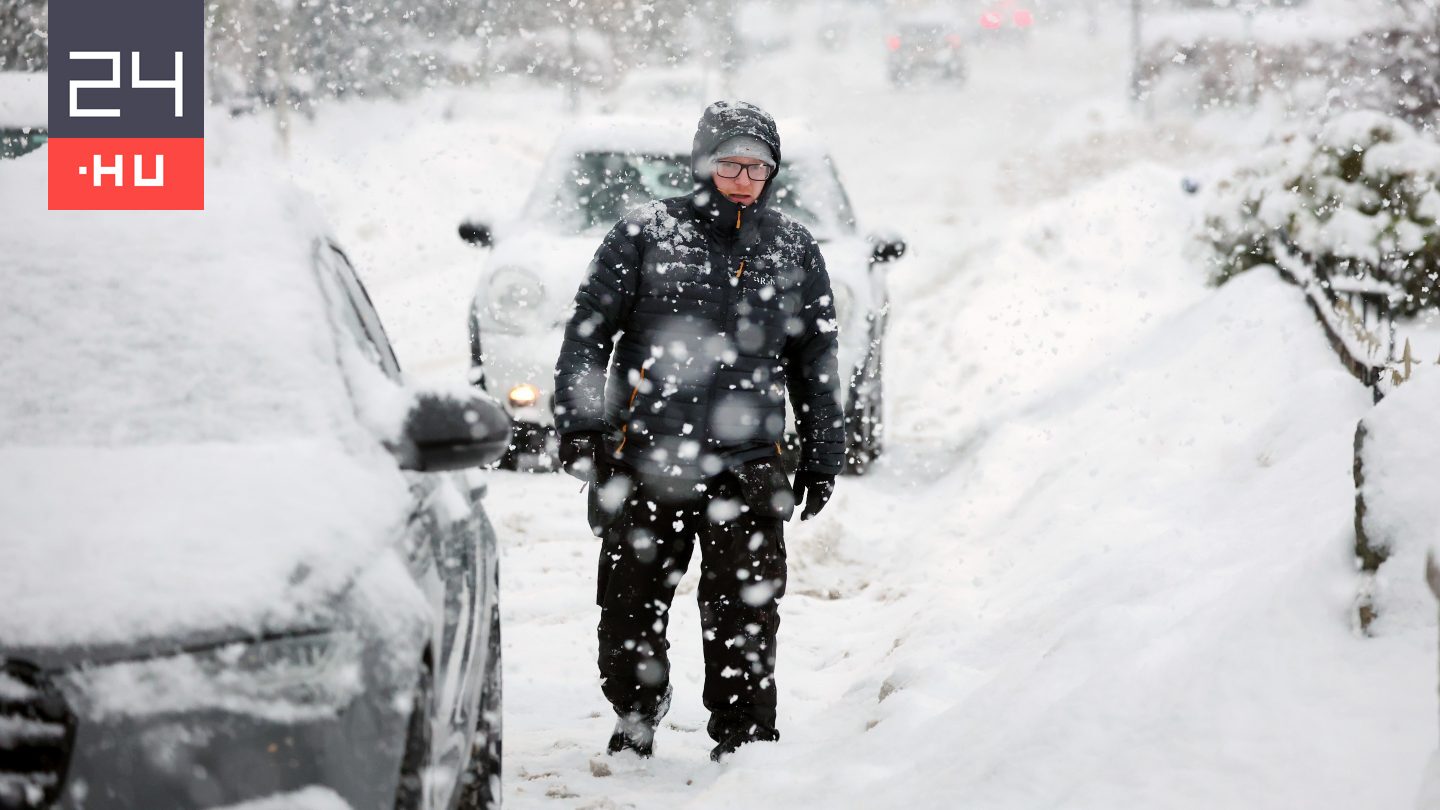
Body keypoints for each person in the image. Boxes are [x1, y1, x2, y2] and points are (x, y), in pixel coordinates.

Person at [552, 100, 843, 762]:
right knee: (629, 606)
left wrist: (824, 453)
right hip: (645, 457)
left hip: (749, 463)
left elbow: (815, 360)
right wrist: (582, 426)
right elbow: (588, 334)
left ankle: (744, 740)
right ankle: (635, 710)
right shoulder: (645, 234)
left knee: (746, 611)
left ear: (772, 174)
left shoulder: (793, 249)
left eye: (758, 167)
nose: (743, 178)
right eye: (730, 163)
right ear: (703, 163)